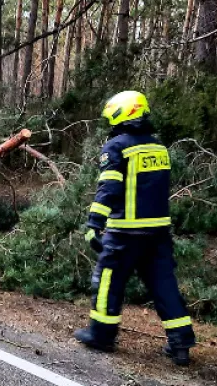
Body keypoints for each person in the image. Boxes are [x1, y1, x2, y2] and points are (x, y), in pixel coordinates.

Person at [74, 90, 196, 366]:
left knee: (107, 280)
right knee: (164, 285)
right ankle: (181, 344)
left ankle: (101, 334)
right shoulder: (158, 149)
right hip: (158, 232)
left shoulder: (117, 147)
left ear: (122, 114)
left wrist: (94, 223)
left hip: (125, 232)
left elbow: (109, 188)